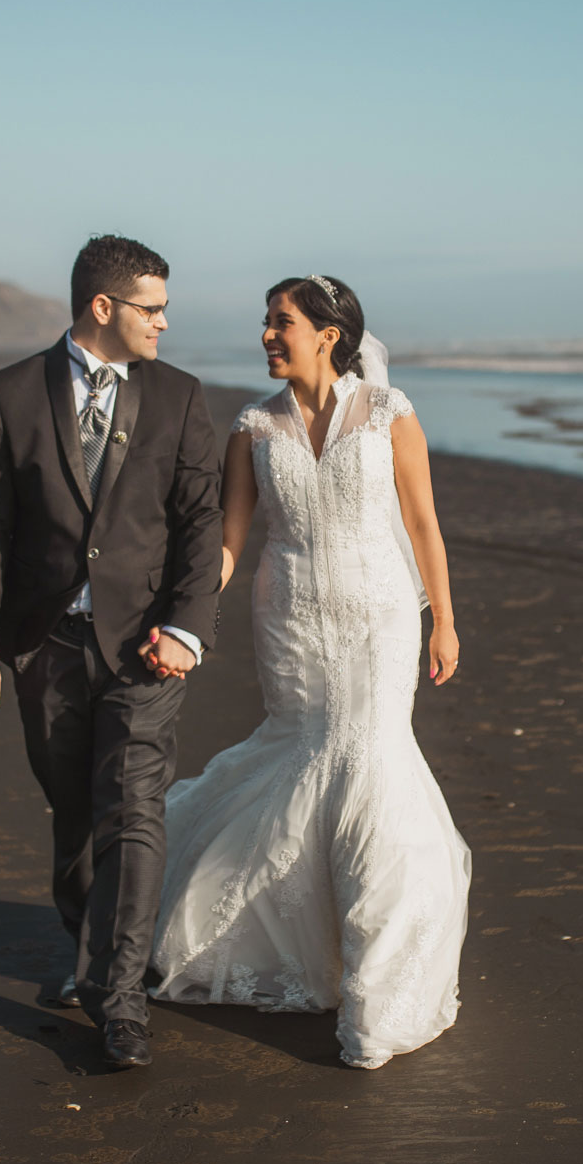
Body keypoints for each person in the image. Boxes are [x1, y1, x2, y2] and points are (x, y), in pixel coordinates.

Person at [147, 274, 472, 1069]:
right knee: (304, 760)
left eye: (280, 322)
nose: (266, 334)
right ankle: (305, 949)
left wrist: (446, 620)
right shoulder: (253, 428)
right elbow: (229, 542)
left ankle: (381, 986)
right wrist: (187, 619)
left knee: (369, 762)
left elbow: (423, 522)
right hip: (288, 619)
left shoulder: (390, 414)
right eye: (266, 322)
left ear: (329, 333)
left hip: (381, 619)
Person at [0, 235, 223, 1069]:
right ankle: (91, 949)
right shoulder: (10, 395)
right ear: (103, 307)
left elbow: (200, 521)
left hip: (146, 645)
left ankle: (120, 996)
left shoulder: (178, 397)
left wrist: (185, 626)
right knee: (72, 807)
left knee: (133, 807)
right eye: (152, 307)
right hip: (46, 644)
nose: (165, 324)